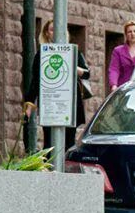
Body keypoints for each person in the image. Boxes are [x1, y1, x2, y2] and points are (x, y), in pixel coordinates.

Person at [24, 20, 92, 150]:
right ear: (46, 33)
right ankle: (50, 168)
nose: (55, 33)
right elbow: (35, 81)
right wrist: (29, 104)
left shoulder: (73, 51)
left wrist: (75, 68)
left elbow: (87, 74)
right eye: (51, 29)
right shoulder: (42, 54)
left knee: (68, 142)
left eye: (58, 29)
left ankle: (65, 168)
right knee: (49, 143)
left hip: (69, 103)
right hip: (49, 102)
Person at [108, 20, 135, 90]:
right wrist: (114, 85)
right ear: (126, 35)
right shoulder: (118, 51)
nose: (132, 34)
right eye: (129, 32)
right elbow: (114, 69)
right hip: (123, 88)